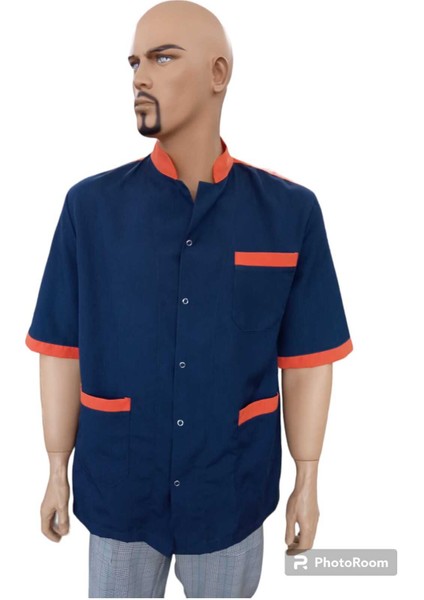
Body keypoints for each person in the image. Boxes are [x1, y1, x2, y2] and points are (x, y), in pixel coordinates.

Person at [24, 0, 354, 597]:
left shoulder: (289, 213)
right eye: (134, 63)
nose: (139, 78)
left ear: (218, 73)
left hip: (230, 485)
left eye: (162, 58)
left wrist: (308, 479)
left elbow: (308, 359)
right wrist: (54, 465)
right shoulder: (90, 209)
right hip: (120, 483)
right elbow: (60, 347)